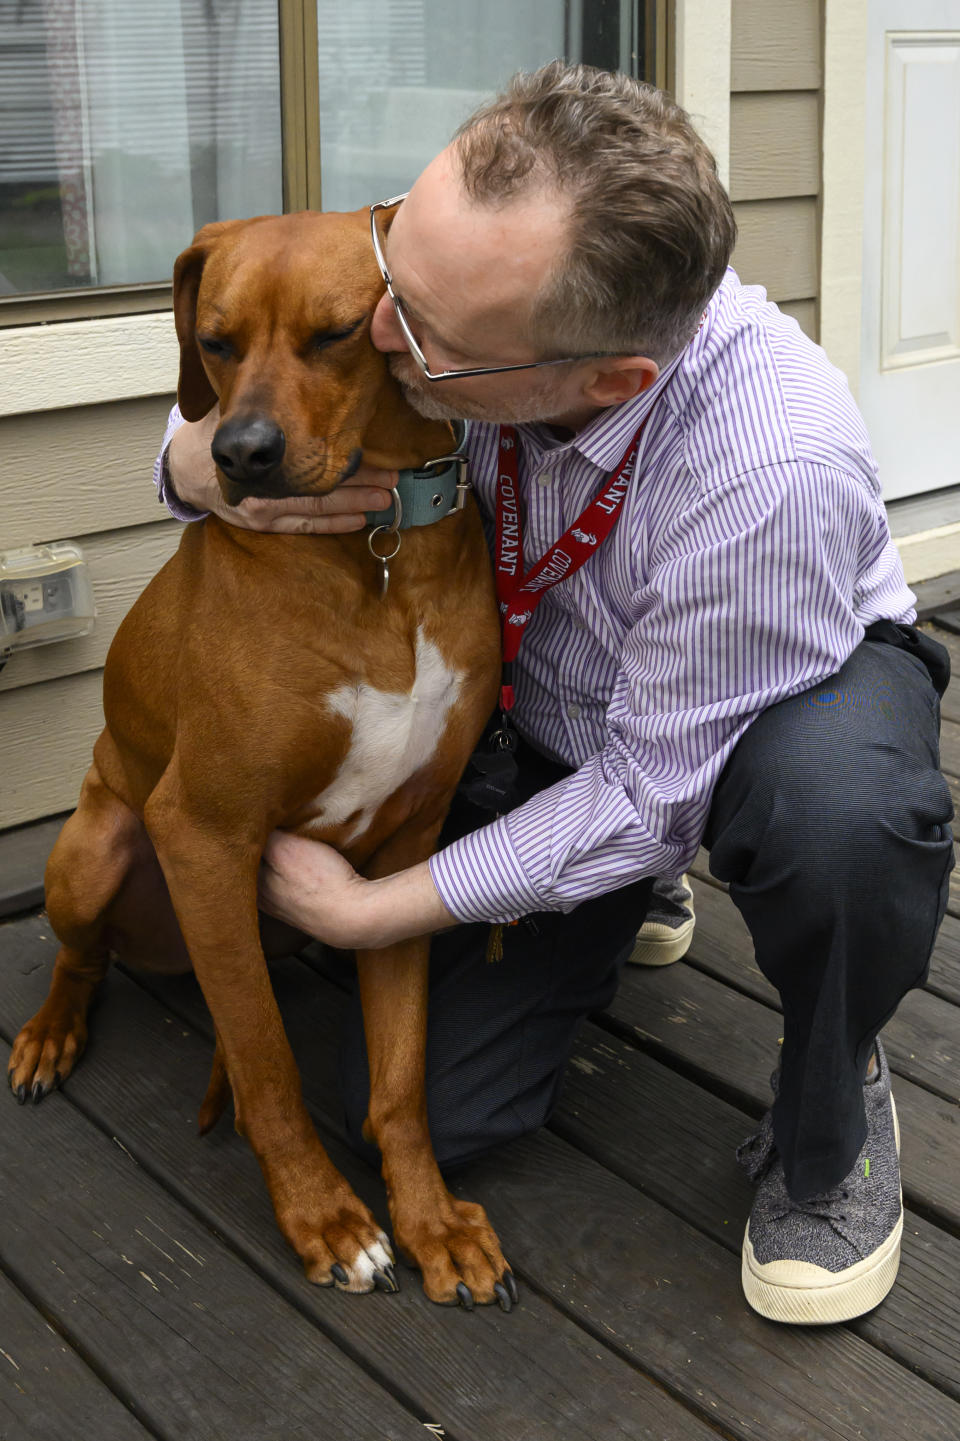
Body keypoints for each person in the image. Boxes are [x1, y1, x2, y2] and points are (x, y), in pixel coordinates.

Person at [155, 62, 954, 1325]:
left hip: (742, 719)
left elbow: (642, 791)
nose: (380, 341)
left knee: (837, 812)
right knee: (449, 1111)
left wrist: (368, 914)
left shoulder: (772, 466)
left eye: (420, 337)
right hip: (539, 726)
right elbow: (271, 372)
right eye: (397, 289)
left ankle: (833, 1091)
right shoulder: (466, 304)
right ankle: (615, 889)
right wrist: (195, 461)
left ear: (605, 379)